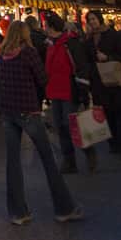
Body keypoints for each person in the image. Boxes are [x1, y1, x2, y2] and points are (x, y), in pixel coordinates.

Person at [0, 19, 83, 226]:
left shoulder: (2, 54)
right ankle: (64, 208)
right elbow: (43, 78)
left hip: (9, 111)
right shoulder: (28, 53)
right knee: (48, 160)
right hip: (28, 110)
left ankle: (18, 212)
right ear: (25, 34)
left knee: (13, 162)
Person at [44, 13, 97, 174]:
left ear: (51, 27)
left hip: (69, 89)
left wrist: (83, 91)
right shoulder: (50, 44)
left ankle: (88, 150)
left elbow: (81, 67)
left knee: (72, 125)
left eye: (47, 25)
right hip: (55, 90)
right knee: (60, 126)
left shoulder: (70, 43)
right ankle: (69, 160)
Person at [86, 10, 121, 159]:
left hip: (114, 80)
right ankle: (114, 144)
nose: (93, 22)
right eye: (90, 19)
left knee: (120, 114)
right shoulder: (89, 38)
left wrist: (108, 57)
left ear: (100, 19)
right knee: (108, 115)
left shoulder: (113, 35)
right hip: (99, 82)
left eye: (94, 19)